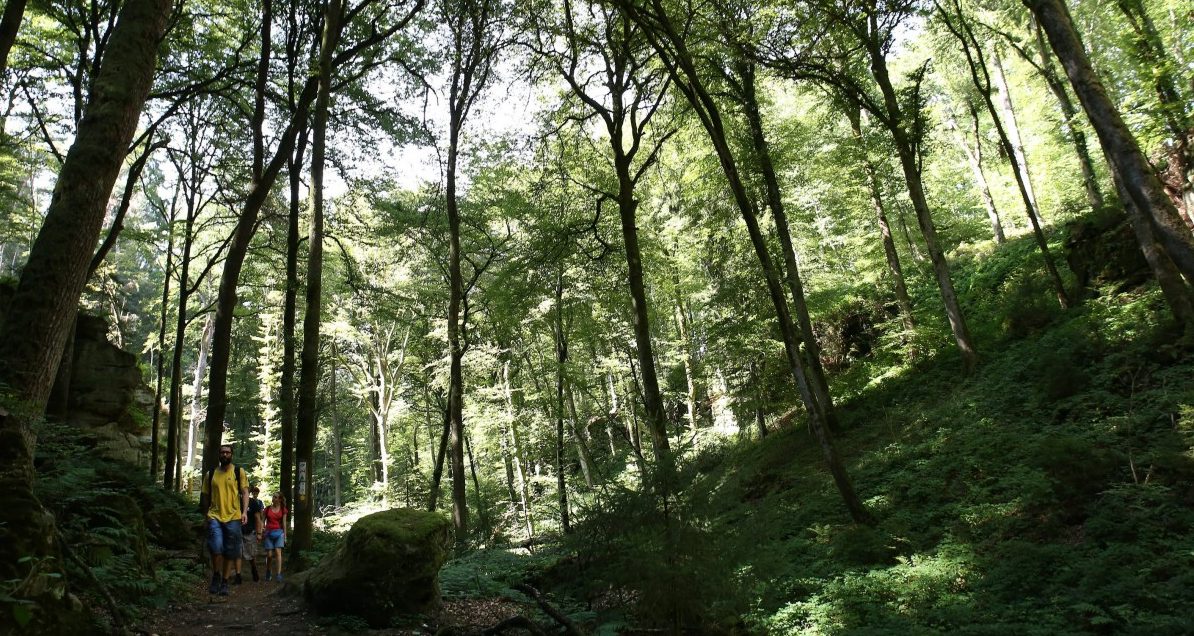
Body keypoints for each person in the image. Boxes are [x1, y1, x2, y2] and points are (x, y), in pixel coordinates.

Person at [201, 444, 249, 596]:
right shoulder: (211, 474)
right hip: (214, 515)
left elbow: (245, 492)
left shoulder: (238, 471)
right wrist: (206, 514)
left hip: (233, 517)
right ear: (219, 455)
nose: (225, 455)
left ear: (231, 455)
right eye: (222, 452)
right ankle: (216, 575)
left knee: (230, 551)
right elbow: (206, 495)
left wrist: (244, 512)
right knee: (216, 548)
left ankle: (225, 582)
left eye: (228, 452)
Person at [236, 485, 265, 583]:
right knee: (237, 554)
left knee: (251, 555)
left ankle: (254, 568)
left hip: (250, 532)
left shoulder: (253, 503)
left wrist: (259, 533)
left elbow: (258, 518)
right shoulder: (235, 501)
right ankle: (238, 576)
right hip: (237, 531)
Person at [263, 492, 288, 582]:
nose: (273, 498)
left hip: (279, 533)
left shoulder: (283, 509)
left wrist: (285, 536)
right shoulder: (267, 509)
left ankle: (278, 574)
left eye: (275, 497)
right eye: (273, 496)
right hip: (268, 533)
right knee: (269, 555)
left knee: (278, 553)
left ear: (280, 499)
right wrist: (262, 530)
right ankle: (268, 571)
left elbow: (284, 524)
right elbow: (263, 521)